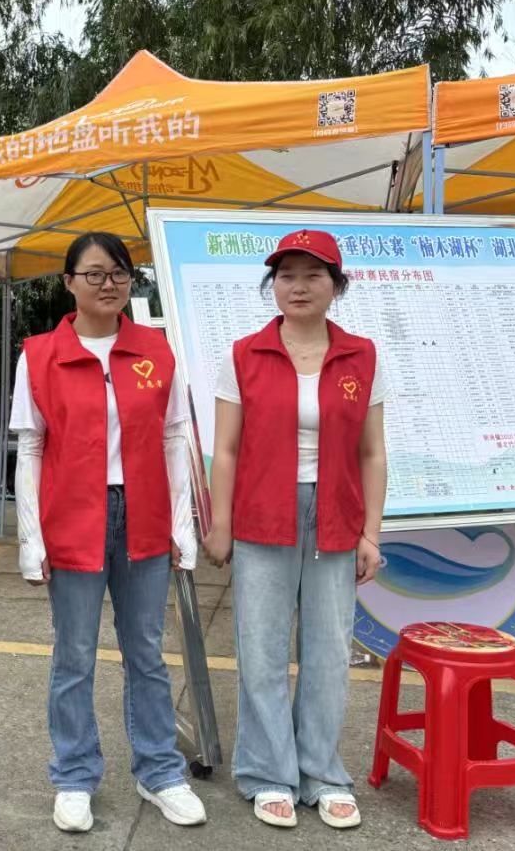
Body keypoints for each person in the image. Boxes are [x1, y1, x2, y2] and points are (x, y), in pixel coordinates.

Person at [9, 231, 207, 833]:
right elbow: (31, 448)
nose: (108, 284)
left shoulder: (156, 350)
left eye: (119, 272)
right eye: (94, 273)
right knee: (74, 655)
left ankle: (159, 770)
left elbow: (175, 437)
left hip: (143, 515)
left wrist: (182, 522)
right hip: (73, 517)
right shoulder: (40, 355)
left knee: (145, 650)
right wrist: (30, 537)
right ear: (68, 282)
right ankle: (74, 775)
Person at [203, 229, 387, 830]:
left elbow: (372, 453)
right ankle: (267, 773)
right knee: (260, 649)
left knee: (329, 650)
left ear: (336, 285)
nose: (298, 286)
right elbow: (225, 450)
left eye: (313, 275)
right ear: (273, 285)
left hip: (336, 515)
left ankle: (322, 773)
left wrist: (371, 534)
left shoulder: (362, 356)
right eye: (286, 276)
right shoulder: (244, 354)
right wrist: (220, 524)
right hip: (262, 515)